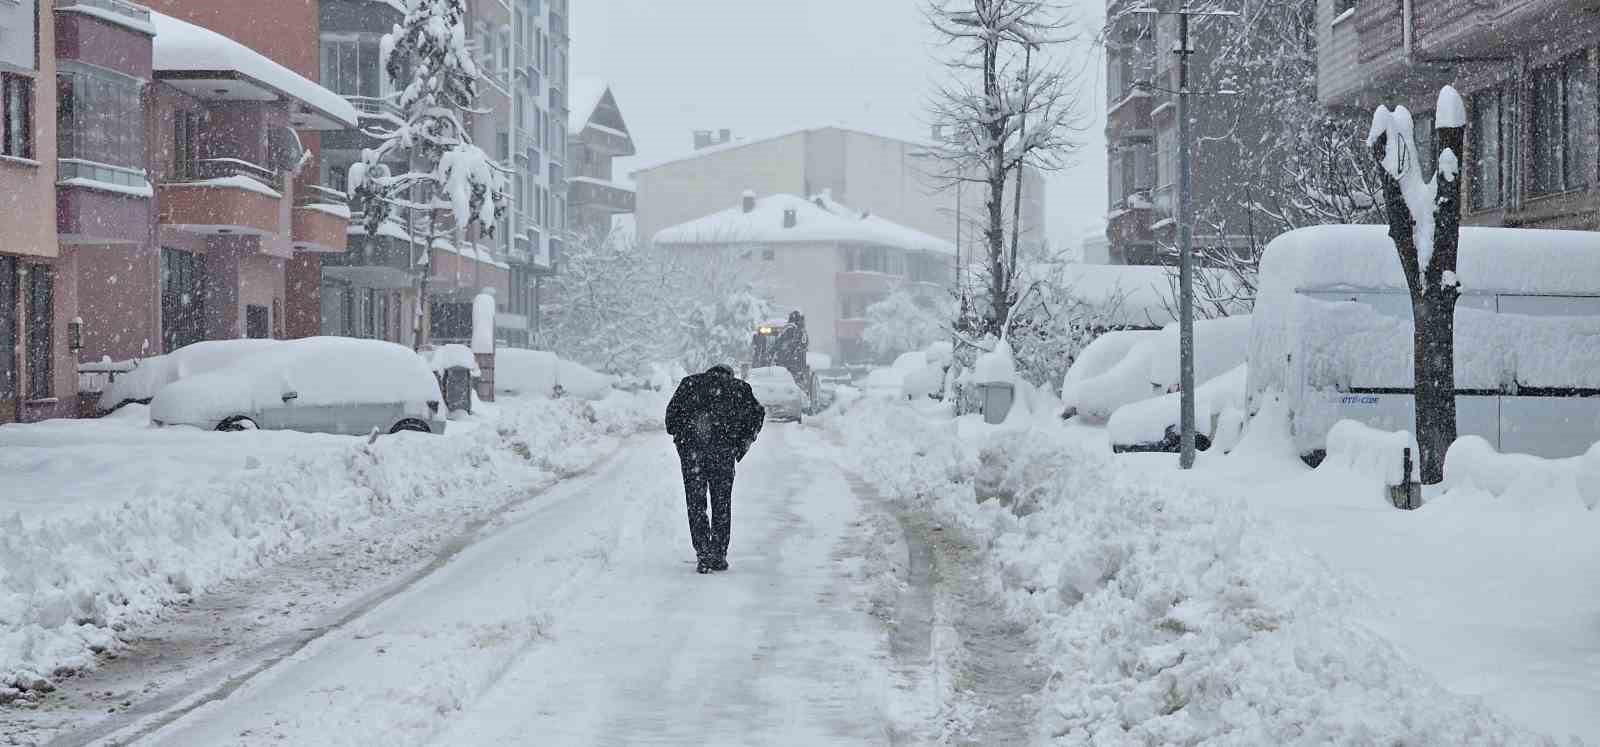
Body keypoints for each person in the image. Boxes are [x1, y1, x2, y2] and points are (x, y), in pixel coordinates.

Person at [664, 364, 766, 574]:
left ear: (709, 372)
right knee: (722, 504)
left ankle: (703, 554)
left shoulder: (690, 384)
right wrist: (741, 443)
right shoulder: (739, 389)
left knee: (696, 504)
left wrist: (683, 439)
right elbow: (758, 414)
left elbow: (670, 421)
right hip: (723, 453)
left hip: (693, 455)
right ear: (729, 375)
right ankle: (718, 554)